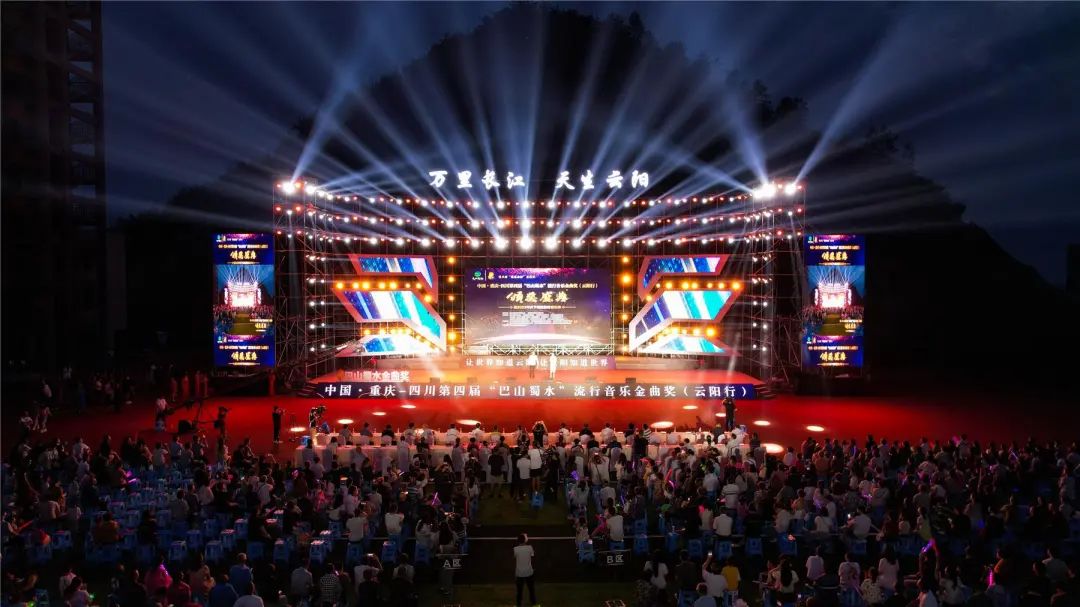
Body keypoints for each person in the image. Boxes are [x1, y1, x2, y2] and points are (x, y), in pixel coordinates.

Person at [514, 533, 537, 607]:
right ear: (524, 540)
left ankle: (518, 605)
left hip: (519, 573)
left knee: (519, 591)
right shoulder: (530, 547)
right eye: (526, 537)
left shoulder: (515, 549)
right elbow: (532, 555)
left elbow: (516, 556)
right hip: (528, 572)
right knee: (531, 590)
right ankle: (534, 604)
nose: (527, 537)